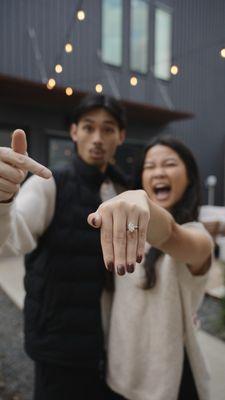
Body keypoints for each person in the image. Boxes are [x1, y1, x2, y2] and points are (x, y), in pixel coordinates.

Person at [0, 94, 129, 400]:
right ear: (74, 132)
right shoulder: (48, 182)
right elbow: (11, 239)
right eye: (88, 128)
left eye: (108, 129)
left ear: (121, 136)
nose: (97, 138)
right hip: (58, 342)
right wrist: (3, 200)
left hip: (110, 344)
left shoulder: (122, 188)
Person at [88, 135, 213, 400]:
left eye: (169, 164)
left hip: (168, 382)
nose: (158, 172)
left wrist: (142, 202)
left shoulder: (197, 236)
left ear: (189, 177)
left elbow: (170, 235)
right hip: (118, 372)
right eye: (149, 166)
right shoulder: (123, 233)